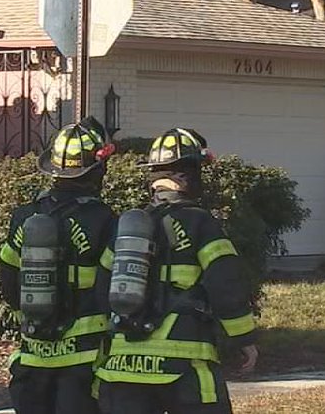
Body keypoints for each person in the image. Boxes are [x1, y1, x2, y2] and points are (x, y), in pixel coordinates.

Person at [95, 128, 258, 413]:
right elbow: (226, 285)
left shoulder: (128, 227)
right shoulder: (201, 224)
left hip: (122, 370)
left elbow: (101, 289)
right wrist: (243, 339)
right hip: (185, 367)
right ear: (192, 174)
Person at [0, 118, 117, 414]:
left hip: (34, 357)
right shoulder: (103, 220)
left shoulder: (24, 216)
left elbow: (8, 279)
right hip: (82, 360)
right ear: (96, 170)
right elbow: (111, 287)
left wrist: (30, 317)